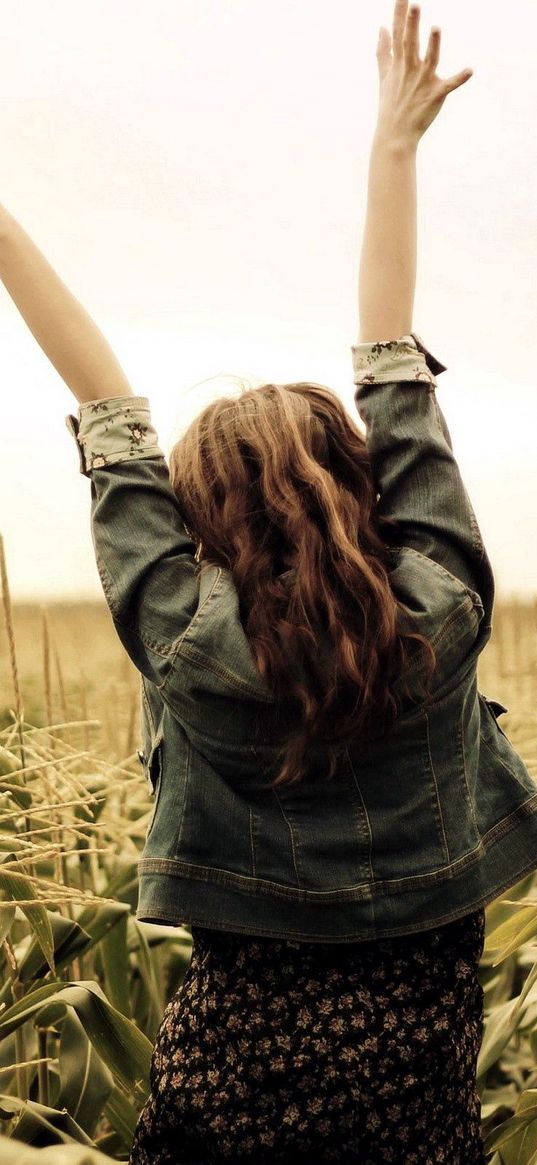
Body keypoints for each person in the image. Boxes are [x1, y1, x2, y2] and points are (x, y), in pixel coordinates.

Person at [1, 1, 536, 1161]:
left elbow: (107, 411)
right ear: (367, 488)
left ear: (201, 529)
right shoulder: (443, 603)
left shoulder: (186, 645)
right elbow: (393, 362)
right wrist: (394, 148)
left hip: (224, 1107)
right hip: (420, 1122)